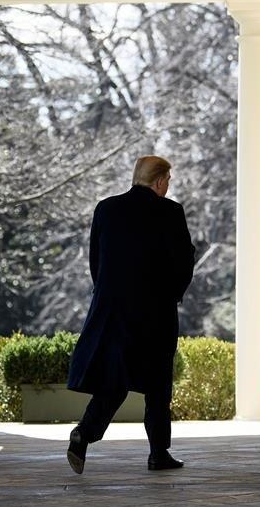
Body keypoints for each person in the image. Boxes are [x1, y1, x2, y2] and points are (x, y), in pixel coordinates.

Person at [65, 155, 196, 474]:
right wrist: (172, 294)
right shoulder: (170, 211)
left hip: (113, 311)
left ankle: (84, 434)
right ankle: (158, 453)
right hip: (155, 312)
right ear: (161, 180)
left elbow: (96, 259)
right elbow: (184, 260)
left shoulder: (105, 209)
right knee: (157, 384)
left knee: (115, 379)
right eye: (169, 180)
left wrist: (108, 294)